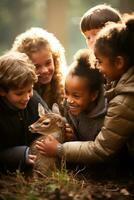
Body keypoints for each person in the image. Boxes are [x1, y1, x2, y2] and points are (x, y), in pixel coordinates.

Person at [36, 14, 134, 172]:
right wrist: (70, 136)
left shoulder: (124, 100)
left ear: (119, 62)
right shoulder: (118, 83)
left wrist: (60, 149)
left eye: (100, 62)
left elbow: (101, 149)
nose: (98, 67)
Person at [0, 51, 49, 173]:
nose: (27, 97)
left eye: (30, 90)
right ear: (2, 91)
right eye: (19, 93)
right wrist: (18, 156)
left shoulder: (33, 100)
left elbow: (49, 120)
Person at [12, 27, 67, 112]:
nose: (44, 70)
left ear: (55, 60)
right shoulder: (22, 96)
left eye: (48, 63)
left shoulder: (64, 88)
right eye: (36, 66)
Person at [64, 49, 107, 141]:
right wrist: (69, 137)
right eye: (66, 93)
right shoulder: (67, 107)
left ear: (93, 96)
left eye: (76, 96)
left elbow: (101, 150)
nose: (69, 100)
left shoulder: (109, 115)